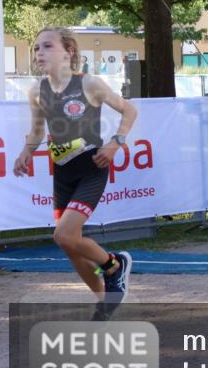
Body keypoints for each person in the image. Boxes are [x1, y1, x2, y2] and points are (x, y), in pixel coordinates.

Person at [13, 28, 137, 321]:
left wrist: (115, 143)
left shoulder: (89, 83)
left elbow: (129, 111)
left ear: (68, 50)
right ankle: (106, 302)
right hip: (63, 174)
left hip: (91, 169)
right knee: (69, 245)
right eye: (35, 48)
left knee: (64, 234)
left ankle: (115, 264)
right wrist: (25, 153)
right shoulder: (38, 90)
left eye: (46, 46)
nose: (38, 53)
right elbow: (38, 130)